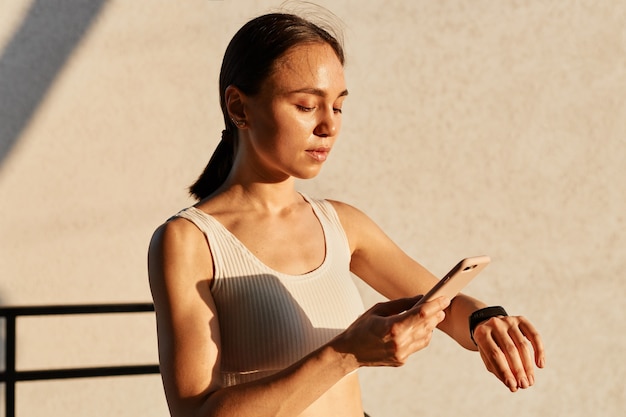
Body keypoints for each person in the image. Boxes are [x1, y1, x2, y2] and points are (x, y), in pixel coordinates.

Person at [148, 10, 545, 417]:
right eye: (306, 105)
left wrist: (485, 322)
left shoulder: (341, 224)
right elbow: (195, 413)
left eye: (337, 107)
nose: (328, 126)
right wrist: (346, 354)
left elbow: (443, 305)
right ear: (239, 107)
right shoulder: (189, 241)